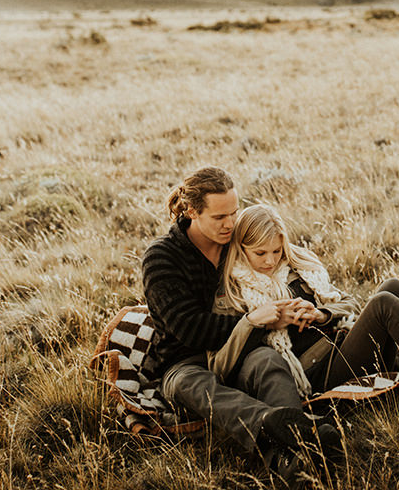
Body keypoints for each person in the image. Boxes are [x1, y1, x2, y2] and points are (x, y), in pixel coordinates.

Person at [140, 167, 341, 481]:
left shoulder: (234, 241)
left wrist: (301, 306)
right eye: (219, 217)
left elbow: (278, 259)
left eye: (233, 212)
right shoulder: (162, 257)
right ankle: (292, 438)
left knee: (267, 361)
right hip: (185, 360)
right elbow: (190, 330)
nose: (230, 223)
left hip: (244, 350)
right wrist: (252, 321)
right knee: (194, 385)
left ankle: (296, 448)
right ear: (191, 212)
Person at [210, 203, 399, 398]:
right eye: (260, 254)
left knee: (392, 286)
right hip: (316, 373)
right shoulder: (231, 292)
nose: (270, 260)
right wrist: (258, 322)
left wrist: (321, 314)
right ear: (240, 248)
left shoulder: (295, 267)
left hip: (344, 345)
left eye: (276, 250)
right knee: (382, 305)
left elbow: (349, 303)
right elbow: (220, 365)